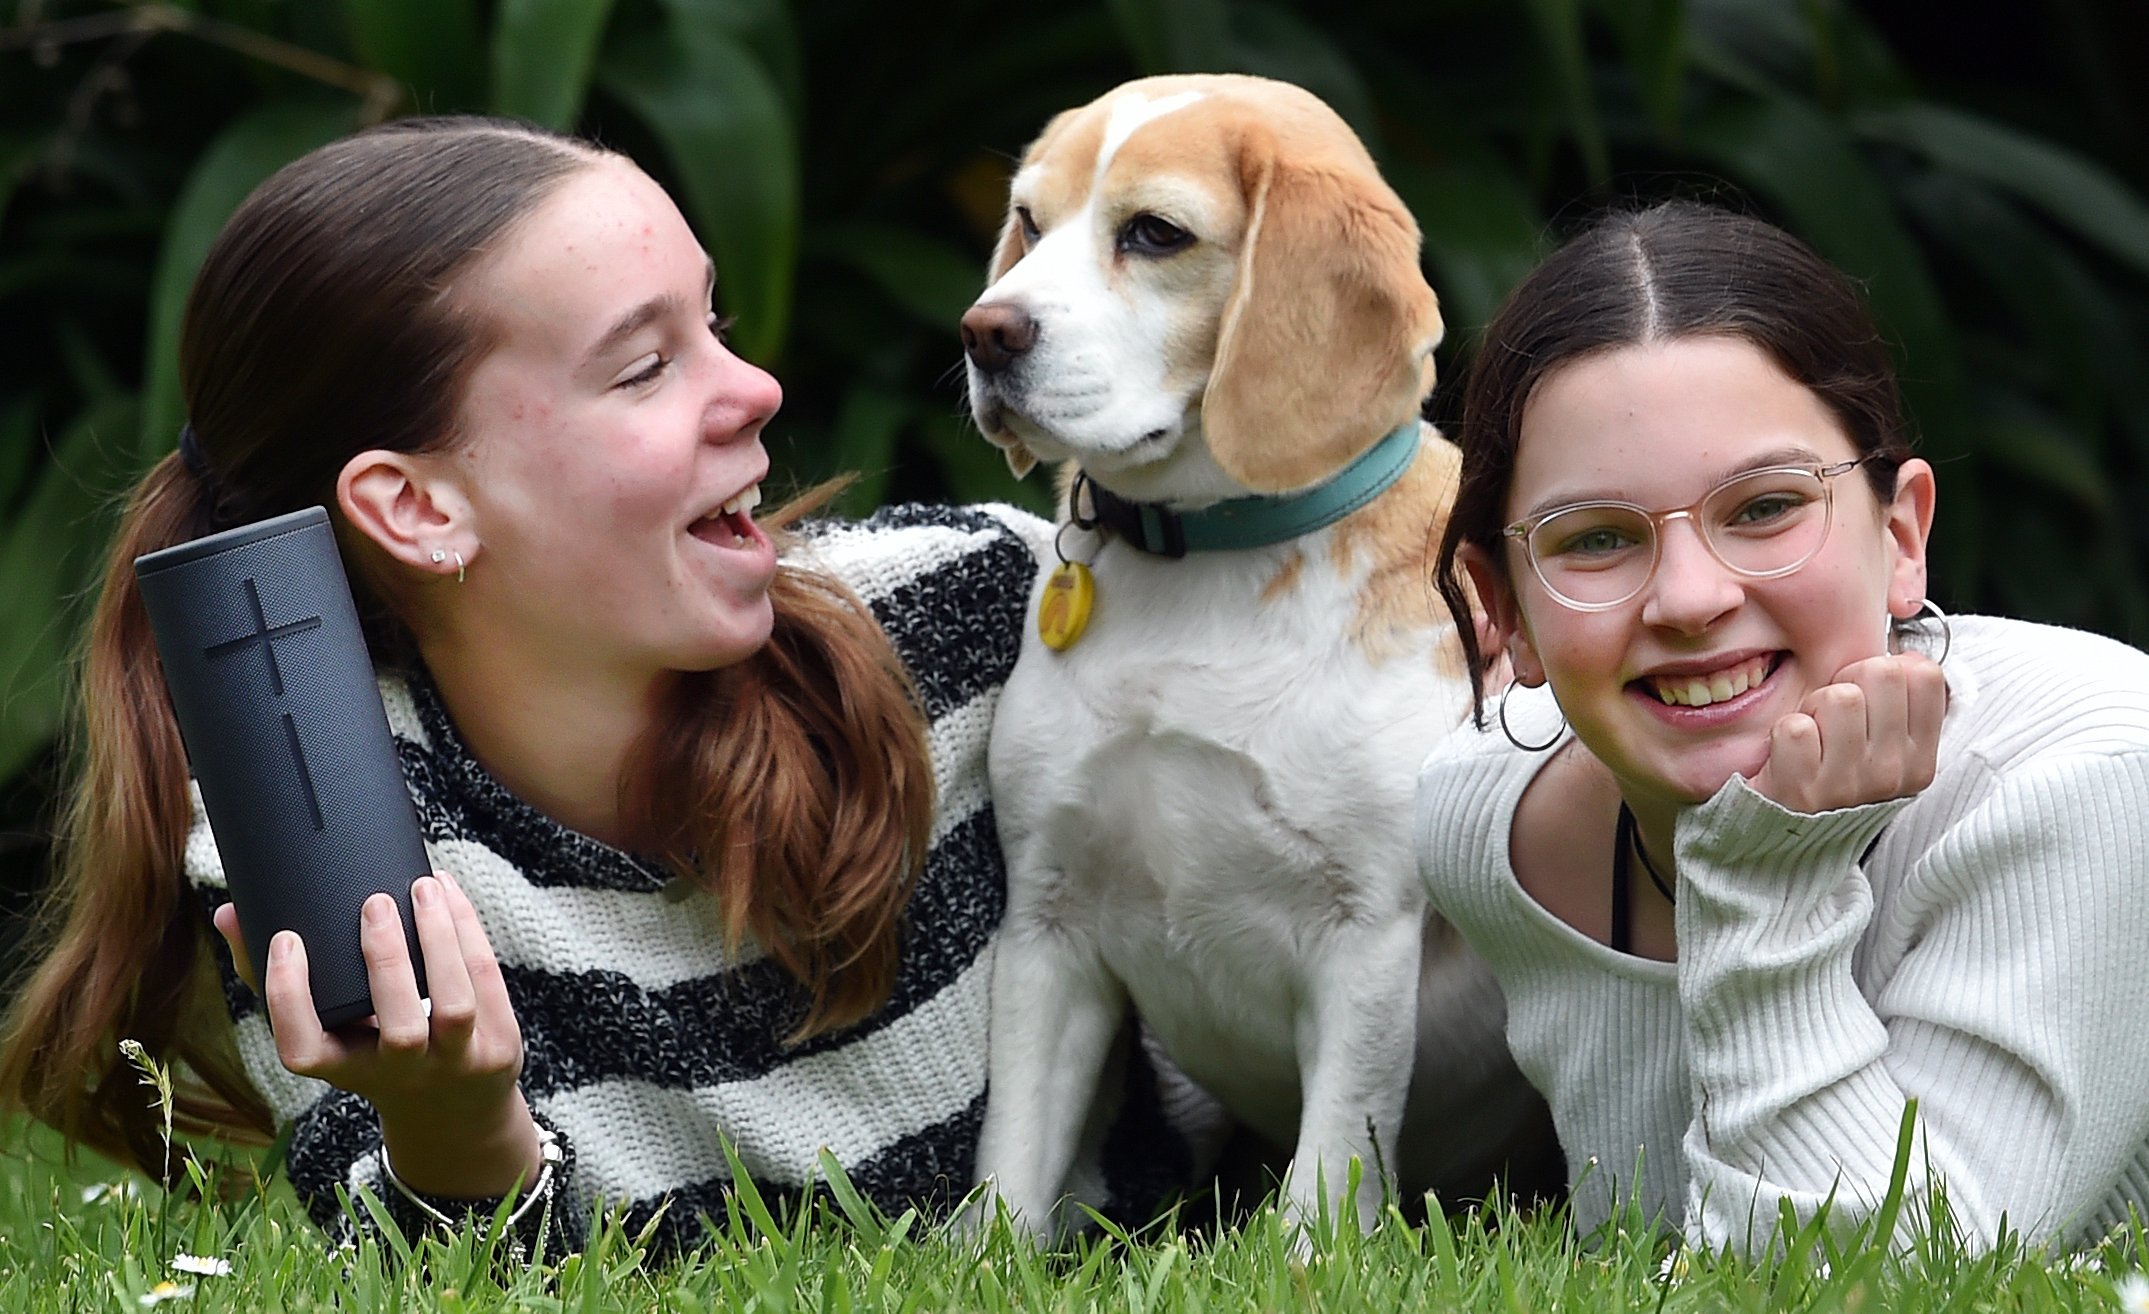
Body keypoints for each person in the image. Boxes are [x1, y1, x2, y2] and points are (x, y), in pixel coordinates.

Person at [0, 116, 1204, 1257]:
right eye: (644, 368)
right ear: (418, 509)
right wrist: (454, 1129)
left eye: (715, 324)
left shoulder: (979, 614)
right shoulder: (337, 848)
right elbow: (442, 1276)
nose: (757, 388)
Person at [1420, 200, 2149, 1255]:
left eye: (1763, 508)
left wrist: (1767, 883)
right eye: (1595, 540)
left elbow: (1888, 1278)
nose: (1687, 597)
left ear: (1901, 536)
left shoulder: (2087, 773)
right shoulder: (1488, 822)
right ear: (1504, 611)